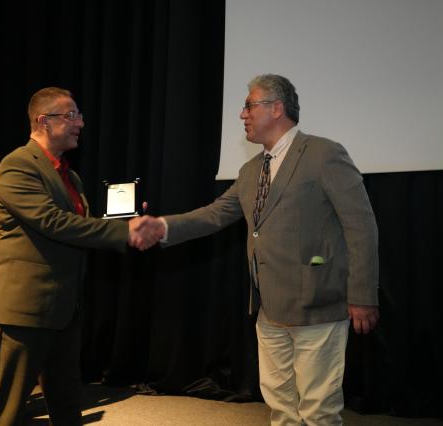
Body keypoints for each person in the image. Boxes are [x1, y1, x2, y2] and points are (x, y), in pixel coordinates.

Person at [140, 74, 380, 425]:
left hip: (319, 306)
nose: (242, 114)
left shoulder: (324, 154)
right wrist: (162, 227)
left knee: (318, 412)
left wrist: (362, 295)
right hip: (269, 309)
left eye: (249, 106)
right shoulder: (251, 170)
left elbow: (361, 226)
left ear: (277, 108)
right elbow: (215, 214)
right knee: (281, 409)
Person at [0, 87, 161, 425]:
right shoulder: (17, 165)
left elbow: (77, 226)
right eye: (71, 115)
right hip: (24, 311)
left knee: (66, 409)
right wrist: (125, 232)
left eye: (79, 115)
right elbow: (53, 222)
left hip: (63, 310)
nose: (81, 123)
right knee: (5, 414)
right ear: (43, 121)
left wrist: (127, 220)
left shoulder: (69, 175)